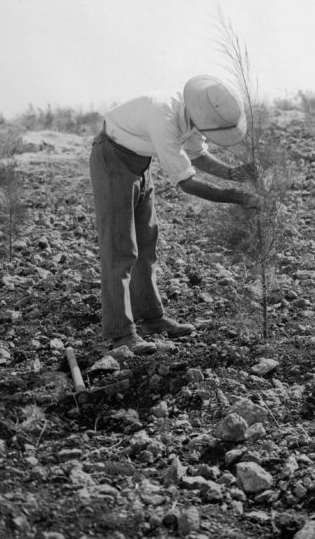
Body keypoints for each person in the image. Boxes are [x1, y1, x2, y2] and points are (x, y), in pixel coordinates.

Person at [89, 74, 260, 355]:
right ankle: (120, 335)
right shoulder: (164, 118)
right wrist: (236, 197)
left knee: (146, 243)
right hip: (112, 159)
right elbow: (187, 182)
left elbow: (198, 155)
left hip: (139, 162)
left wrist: (233, 174)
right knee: (120, 249)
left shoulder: (194, 114)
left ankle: (151, 319)